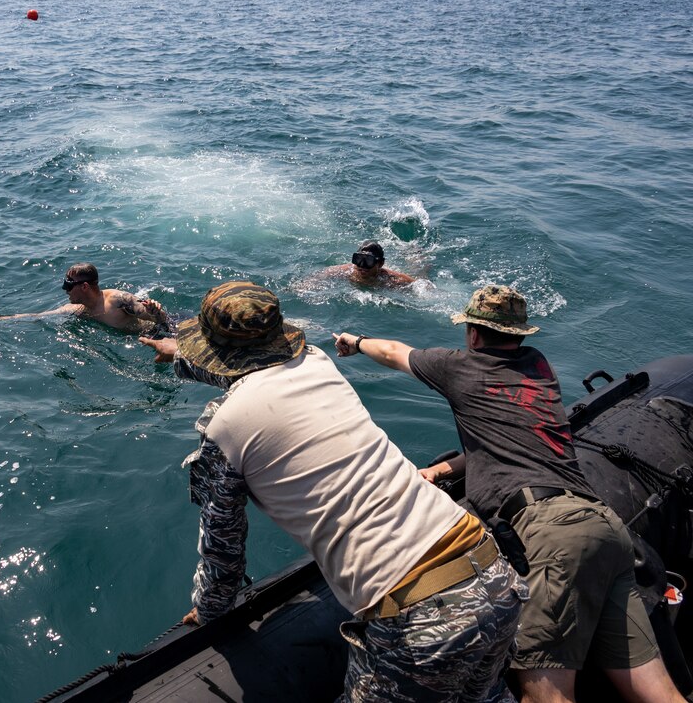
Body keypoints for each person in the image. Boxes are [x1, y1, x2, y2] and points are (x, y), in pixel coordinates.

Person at [140, 281, 524, 702]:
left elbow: (223, 547)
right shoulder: (319, 362)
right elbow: (248, 377)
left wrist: (211, 609)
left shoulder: (223, 429)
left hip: (420, 616)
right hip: (493, 571)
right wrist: (180, 354)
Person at [333, 285, 685, 703]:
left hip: (553, 535)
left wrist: (354, 341)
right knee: (657, 692)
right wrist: (442, 469)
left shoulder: (458, 367)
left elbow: (392, 351)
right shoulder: (538, 366)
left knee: (546, 695)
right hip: (604, 526)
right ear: (518, 334)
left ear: (474, 333)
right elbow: (508, 442)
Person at [0, 262, 172, 335]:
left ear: (84, 287)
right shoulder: (78, 310)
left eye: (69, 285)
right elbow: (38, 316)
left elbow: (149, 313)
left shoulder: (117, 300)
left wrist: (154, 310)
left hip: (170, 331)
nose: (65, 290)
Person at [313, 241, 415, 288]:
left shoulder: (393, 279)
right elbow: (321, 274)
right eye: (359, 260)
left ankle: (414, 253)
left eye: (368, 261)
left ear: (380, 264)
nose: (362, 266)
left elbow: (420, 285)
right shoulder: (347, 271)